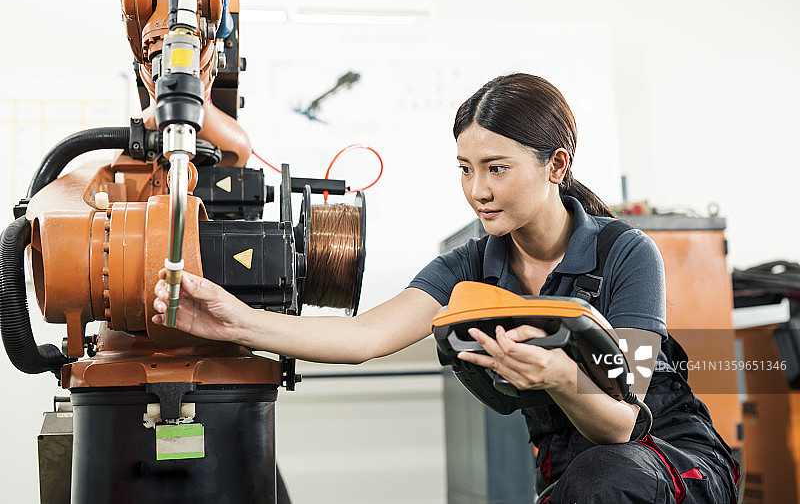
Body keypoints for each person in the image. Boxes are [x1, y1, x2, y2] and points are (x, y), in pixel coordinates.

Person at [152, 73, 739, 503]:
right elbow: (363, 336)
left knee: (606, 478)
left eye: (496, 168)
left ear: (557, 166)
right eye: (465, 168)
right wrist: (233, 320)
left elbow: (622, 422)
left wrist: (561, 376)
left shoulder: (625, 253)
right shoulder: (471, 266)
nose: (477, 190)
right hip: (577, 477)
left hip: (668, 463)